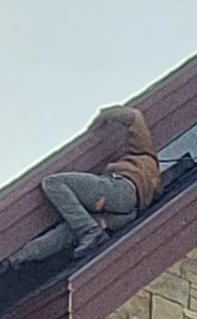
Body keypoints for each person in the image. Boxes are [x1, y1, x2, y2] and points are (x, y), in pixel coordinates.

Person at [10, 106, 161, 267]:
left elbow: (134, 116)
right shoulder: (154, 190)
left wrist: (104, 115)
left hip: (121, 191)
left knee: (54, 183)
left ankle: (90, 231)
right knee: (70, 230)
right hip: (125, 216)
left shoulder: (145, 154)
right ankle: (18, 258)